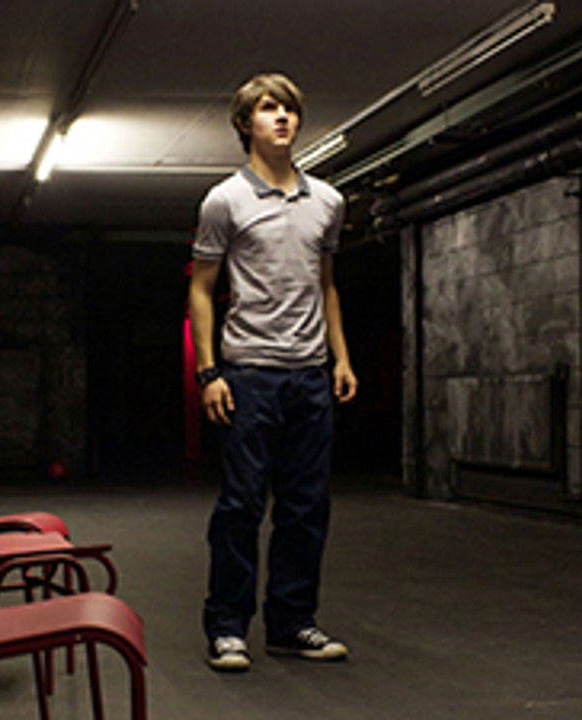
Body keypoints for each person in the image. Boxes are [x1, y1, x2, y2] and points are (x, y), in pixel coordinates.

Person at [188, 72, 358, 672]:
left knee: (306, 507)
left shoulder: (328, 201)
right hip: (249, 375)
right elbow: (202, 289)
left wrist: (341, 357)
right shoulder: (224, 200)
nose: (282, 117)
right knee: (240, 506)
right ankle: (227, 628)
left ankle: (291, 623)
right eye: (267, 108)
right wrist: (209, 372)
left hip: (309, 376)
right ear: (245, 124)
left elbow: (326, 285)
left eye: (288, 108)